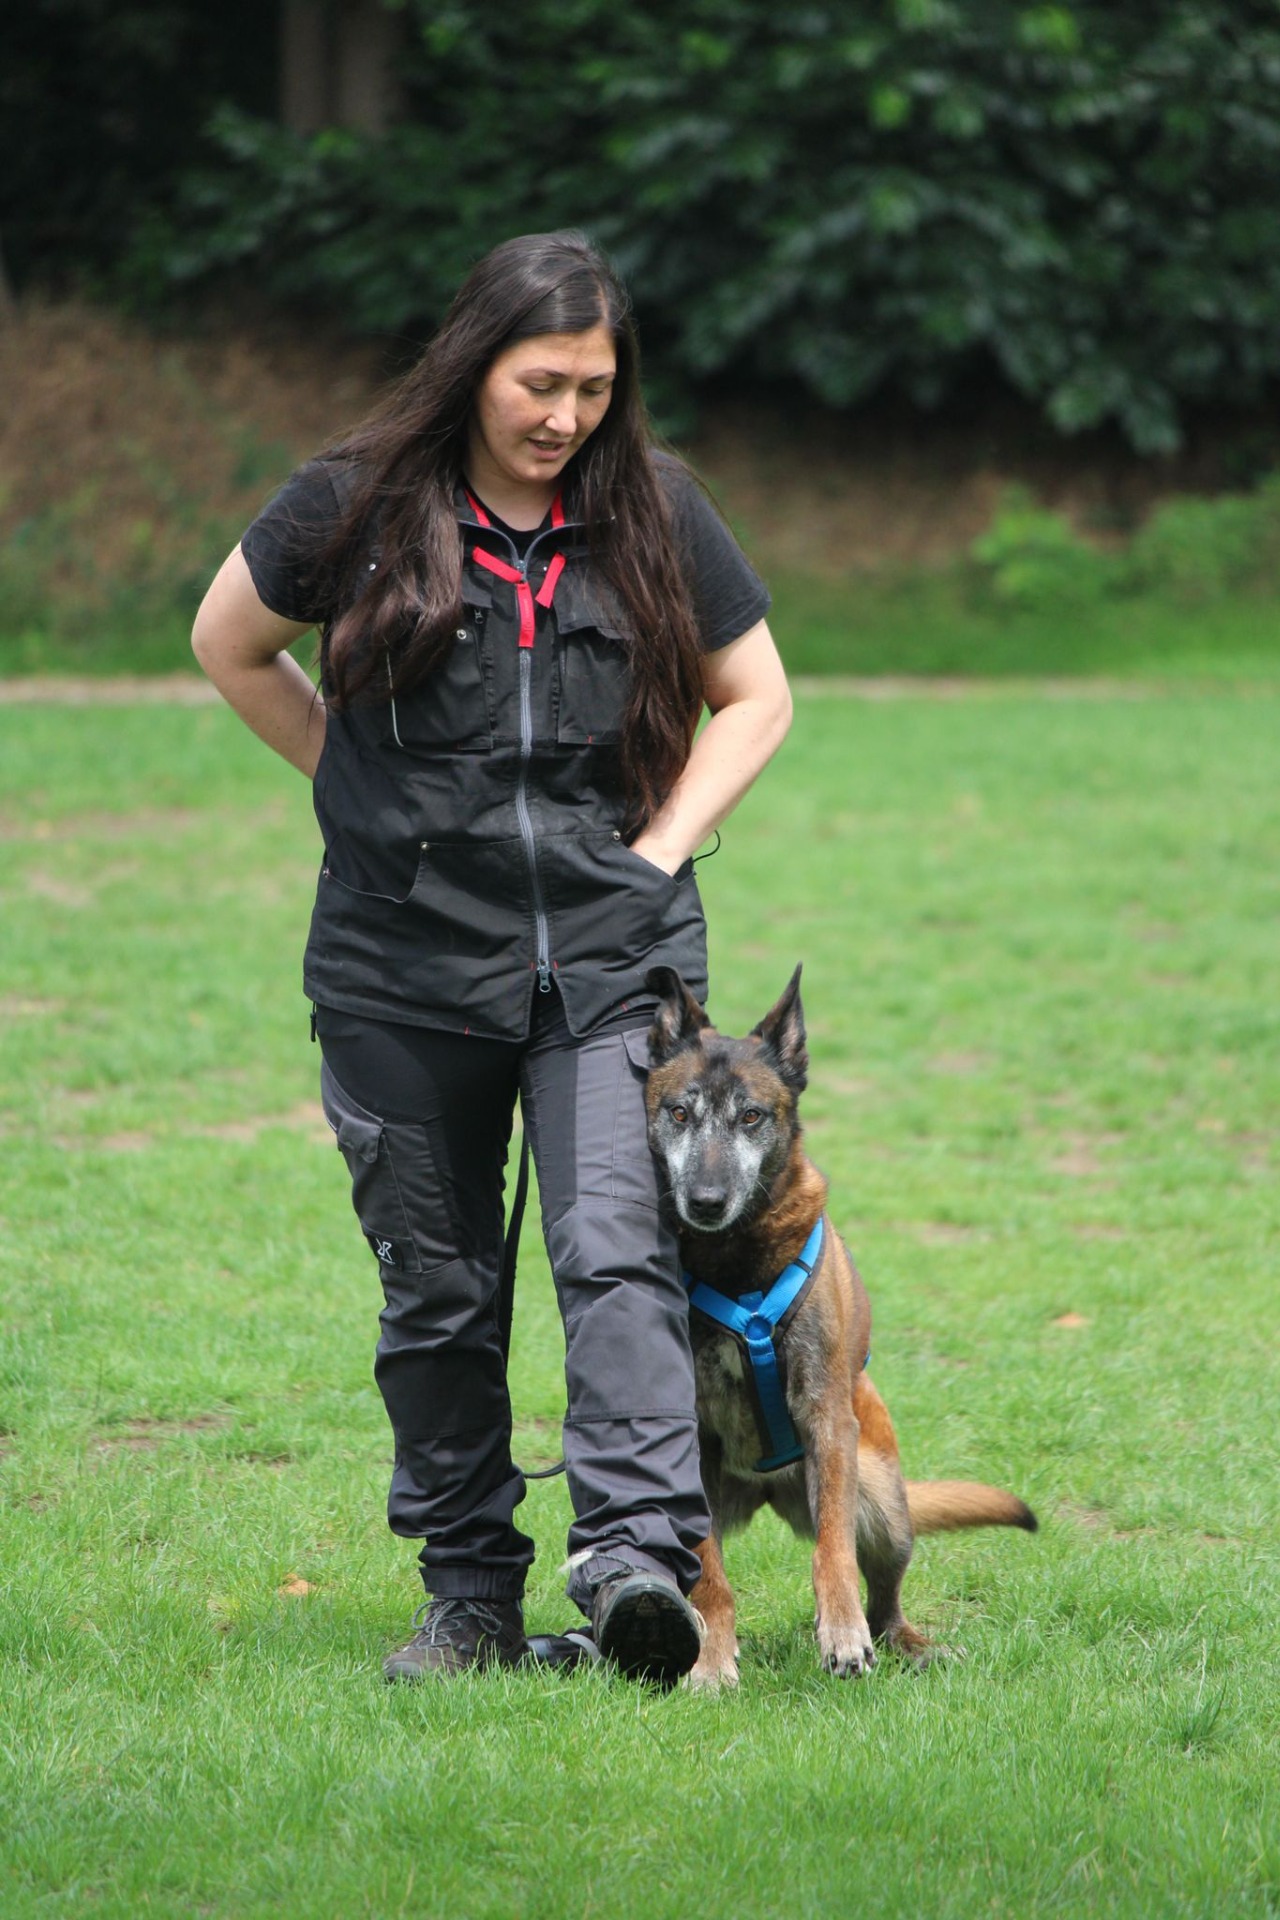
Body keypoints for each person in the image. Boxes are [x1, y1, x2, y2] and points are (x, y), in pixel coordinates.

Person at [191, 229, 792, 1685]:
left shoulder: (656, 509)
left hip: (614, 964)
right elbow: (228, 642)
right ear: (473, 366)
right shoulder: (352, 502)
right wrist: (355, 789)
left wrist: (658, 855)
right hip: (400, 971)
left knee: (618, 1248)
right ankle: (467, 1600)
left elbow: (759, 696)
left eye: (594, 388)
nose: (565, 416)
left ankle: (634, 1569)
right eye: (539, 384)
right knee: (439, 1289)